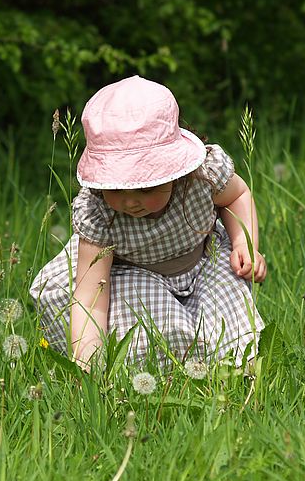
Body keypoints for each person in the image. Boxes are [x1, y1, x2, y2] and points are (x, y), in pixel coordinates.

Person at [29, 75, 266, 370]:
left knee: (231, 316)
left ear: (173, 173)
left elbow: (237, 195)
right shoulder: (98, 210)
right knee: (148, 327)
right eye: (116, 189)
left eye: (146, 188)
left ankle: (235, 373)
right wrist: (87, 363)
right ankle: (161, 376)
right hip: (133, 271)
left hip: (202, 261)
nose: (130, 202)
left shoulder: (201, 177)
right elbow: (92, 296)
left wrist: (244, 242)